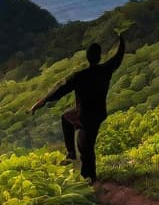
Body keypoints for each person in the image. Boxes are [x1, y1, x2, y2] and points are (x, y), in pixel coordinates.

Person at [29, 34, 126, 183]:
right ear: (99, 57)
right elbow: (118, 57)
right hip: (98, 113)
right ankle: (74, 157)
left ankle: (89, 178)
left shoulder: (80, 76)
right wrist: (121, 39)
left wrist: (40, 103)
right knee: (67, 119)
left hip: (85, 116)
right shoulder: (105, 70)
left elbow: (59, 90)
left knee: (85, 147)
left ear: (87, 57)